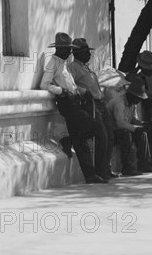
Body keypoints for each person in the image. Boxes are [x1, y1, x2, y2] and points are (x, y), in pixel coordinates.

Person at [40, 32, 109, 184]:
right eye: (66, 49)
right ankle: (69, 140)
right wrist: (61, 91)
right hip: (67, 103)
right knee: (97, 128)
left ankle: (90, 175)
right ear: (58, 49)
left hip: (75, 102)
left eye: (70, 49)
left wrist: (81, 93)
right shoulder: (53, 63)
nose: (69, 52)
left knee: (80, 140)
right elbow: (44, 84)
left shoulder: (63, 63)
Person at [68, 38, 118, 179]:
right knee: (101, 137)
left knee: (109, 136)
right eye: (85, 52)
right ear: (77, 53)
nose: (89, 55)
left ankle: (106, 169)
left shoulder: (86, 67)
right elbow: (70, 85)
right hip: (92, 104)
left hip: (101, 102)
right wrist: (84, 91)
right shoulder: (73, 68)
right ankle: (100, 171)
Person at [106, 76, 152, 176]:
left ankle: (144, 164)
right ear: (131, 95)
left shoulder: (132, 103)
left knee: (143, 134)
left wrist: (144, 124)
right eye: (138, 98)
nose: (139, 101)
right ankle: (127, 168)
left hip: (121, 129)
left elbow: (133, 120)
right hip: (111, 131)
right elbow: (120, 123)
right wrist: (136, 129)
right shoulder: (119, 103)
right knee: (126, 135)